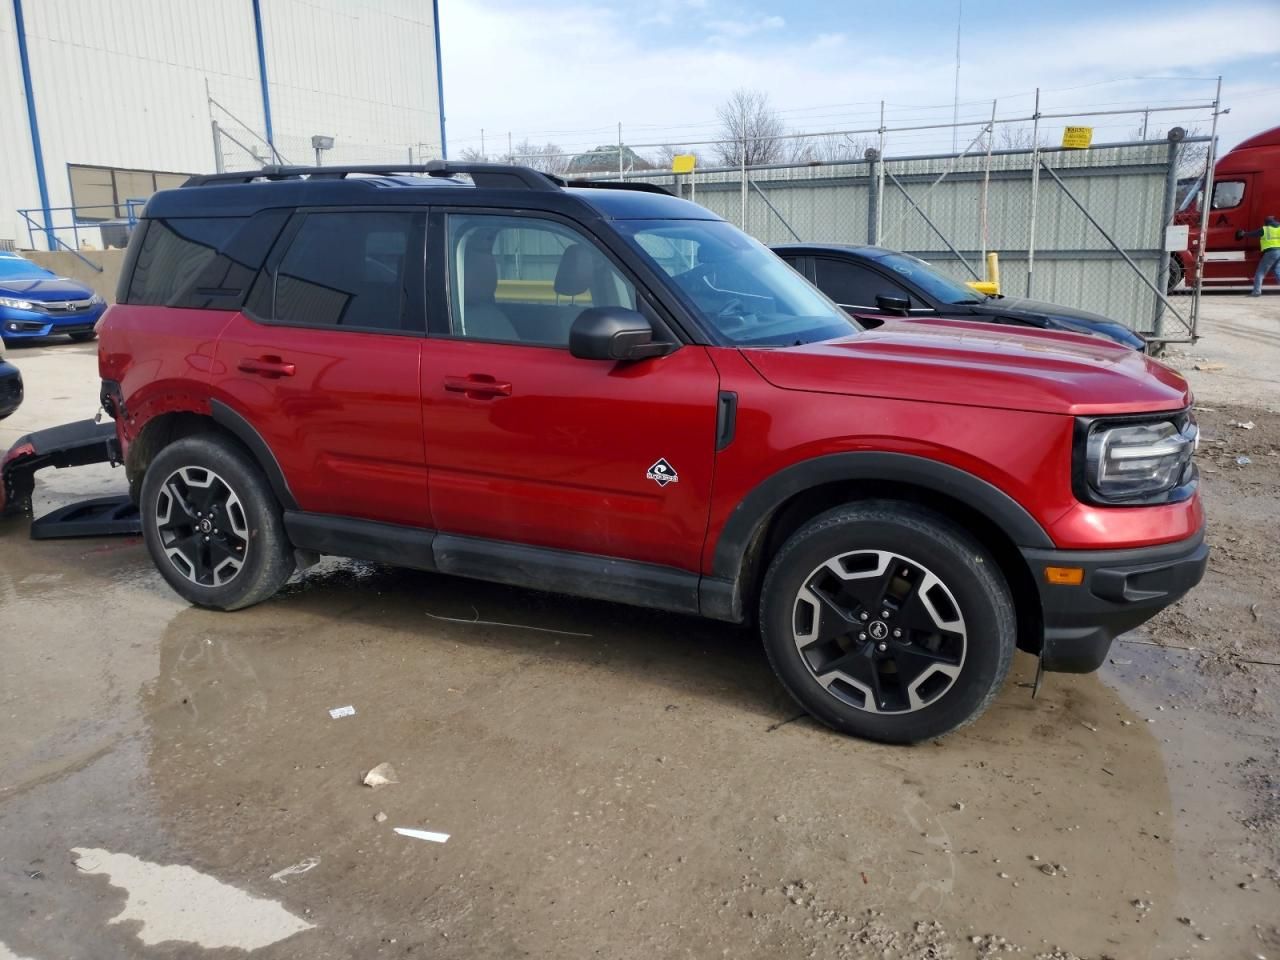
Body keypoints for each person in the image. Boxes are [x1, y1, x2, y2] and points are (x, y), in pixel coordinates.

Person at [1236, 214, 1280, 296]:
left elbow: (1253, 234)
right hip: (1279, 252)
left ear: (1267, 223)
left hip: (1271, 252)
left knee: (1260, 272)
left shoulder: (1265, 229)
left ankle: (1256, 292)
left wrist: (1243, 234)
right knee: (1277, 271)